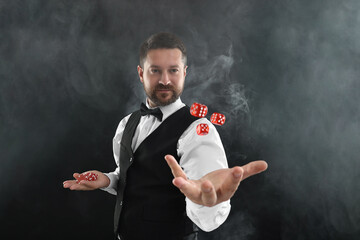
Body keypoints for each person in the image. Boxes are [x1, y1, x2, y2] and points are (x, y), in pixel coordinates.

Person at [63, 32, 268, 240]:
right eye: (155, 71)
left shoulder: (197, 130)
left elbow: (206, 199)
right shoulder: (127, 123)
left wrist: (208, 203)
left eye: (173, 70)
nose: (165, 80)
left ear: (184, 73)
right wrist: (107, 180)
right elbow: (133, 178)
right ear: (141, 73)